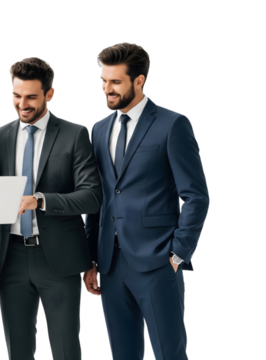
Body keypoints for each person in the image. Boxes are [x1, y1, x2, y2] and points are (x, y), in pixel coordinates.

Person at [84, 42, 210, 360]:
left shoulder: (172, 125)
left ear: (140, 81)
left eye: (115, 82)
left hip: (157, 261)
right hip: (110, 264)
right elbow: (99, 198)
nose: (106, 89)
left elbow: (195, 195)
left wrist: (179, 252)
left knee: (170, 352)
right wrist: (92, 258)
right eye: (102, 80)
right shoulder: (98, 130)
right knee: (123, 353)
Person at [0, 56, 102, 359]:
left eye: (31, 97)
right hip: (9, 257)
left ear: (50, 94)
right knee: (17, 350)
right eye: (15, 95)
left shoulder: (74, 134)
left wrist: (41, 200)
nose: (21, 104)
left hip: (59, 258)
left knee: (66, 349)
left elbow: (91, 196)